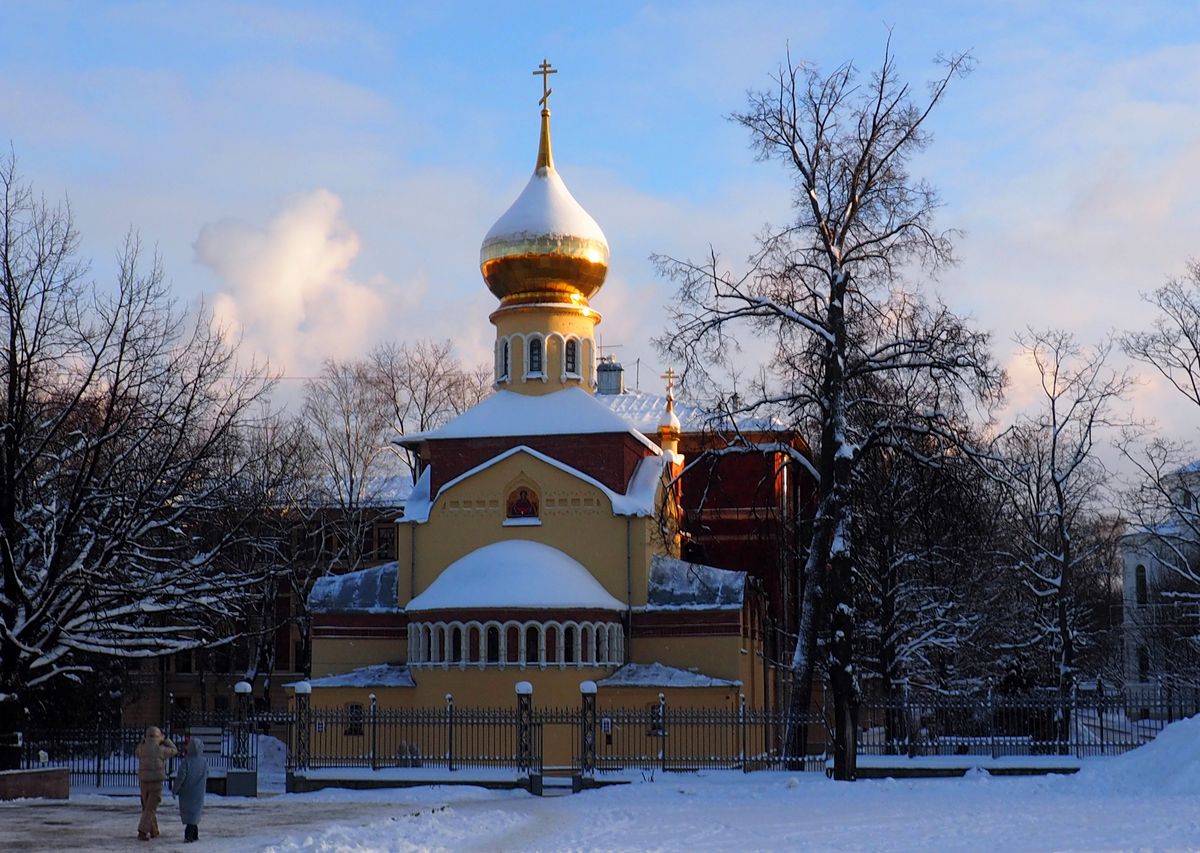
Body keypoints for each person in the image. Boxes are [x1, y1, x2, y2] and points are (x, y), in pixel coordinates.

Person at [135, 726, 178, 841]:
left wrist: (143, 741)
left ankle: (154, 831)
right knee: (151, 808)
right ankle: (142, 831)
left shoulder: (143, 748)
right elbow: (175, 750)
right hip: (156, 781)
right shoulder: (161, 749)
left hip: (143, 781)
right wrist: (166, 740)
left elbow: (137, 752)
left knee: (147, 806)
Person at [172, 736, 209, 843]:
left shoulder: (186, 762)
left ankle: (189, 835)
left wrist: (175, 790)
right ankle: (194, 834)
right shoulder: (204, 762)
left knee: (189, 814)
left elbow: (180, 778)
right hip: (199, 792)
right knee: (195, 813)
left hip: (187, 792)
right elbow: (207, 774)